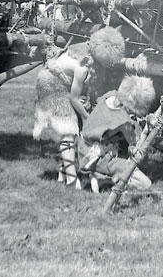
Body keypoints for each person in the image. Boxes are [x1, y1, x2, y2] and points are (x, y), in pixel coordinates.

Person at [33, 27, 126, 188]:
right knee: (68, 130)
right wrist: (87, 118)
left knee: (74, 129)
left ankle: (62, 175)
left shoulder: (93, 53)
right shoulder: (82, 66)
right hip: (51, 84)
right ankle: (71, 180)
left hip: (65, 84)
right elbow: (74, 98)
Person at [76, 75, 157, 192]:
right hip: (98, 157)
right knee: (145, 184)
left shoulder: (109, 96)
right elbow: (136, 147)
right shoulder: (123, 121)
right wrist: (145, 130)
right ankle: (107, 179)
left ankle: (102, 176)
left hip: (83, 149)